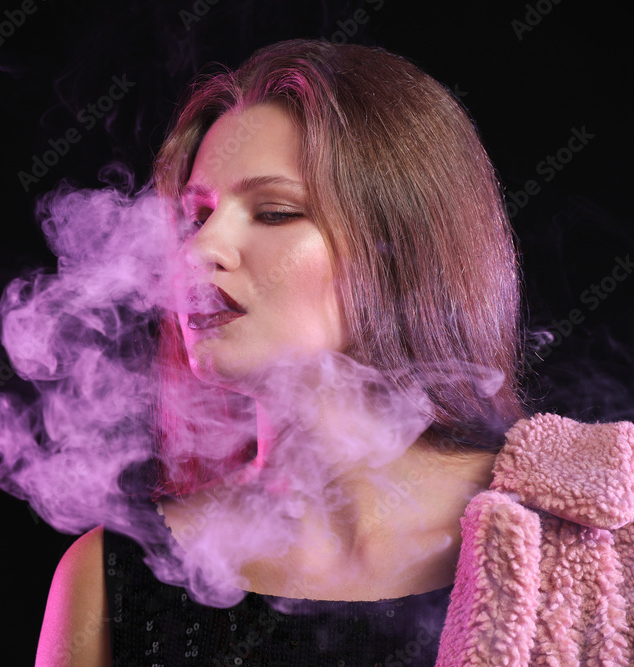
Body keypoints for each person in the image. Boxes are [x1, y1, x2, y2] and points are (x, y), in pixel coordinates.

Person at [32, 39, 634, 666]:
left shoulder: (587, 532)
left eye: (273, 213)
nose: (197, 251)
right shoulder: (115, 574)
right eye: (195, 216)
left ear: (401, 252)